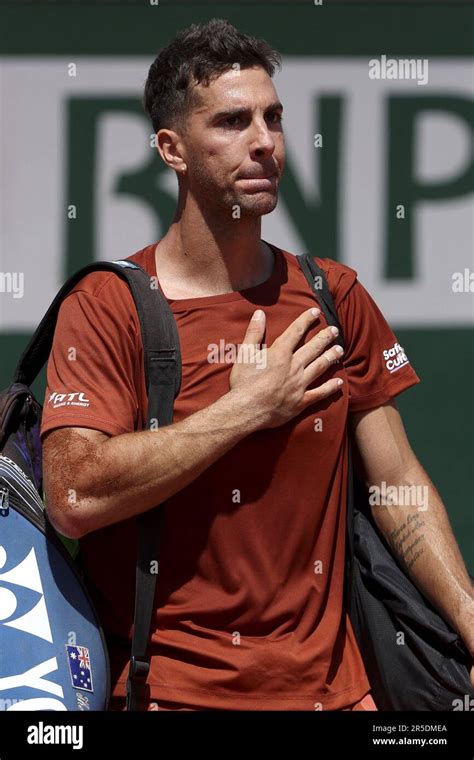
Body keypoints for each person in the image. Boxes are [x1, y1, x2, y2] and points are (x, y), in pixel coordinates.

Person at [40, 19, 473, 711]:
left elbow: (396, 485)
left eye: (273, 118)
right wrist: (246, 409)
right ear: (171, 149)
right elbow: (73, 497)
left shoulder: (336, 296)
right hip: (169, 698)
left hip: (340, 699)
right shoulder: (108, 305)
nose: (265, 142)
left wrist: (472, 623)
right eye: (234, 122)